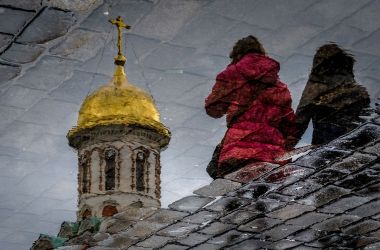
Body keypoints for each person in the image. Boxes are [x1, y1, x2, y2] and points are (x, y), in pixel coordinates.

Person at [205, 36, 297, 179]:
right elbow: (289, 124)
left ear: (237, 54)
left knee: (237, 195)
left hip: (239, 148)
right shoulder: (280, 86)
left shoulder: (231, 74)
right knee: (269, 195)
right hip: (273, 152)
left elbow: (213, 109)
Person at [294, 43, 370, 145]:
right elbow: (366, 117)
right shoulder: (356, 88)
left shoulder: (316, 85)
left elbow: (301, 117)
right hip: (358, 141)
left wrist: (289, 142)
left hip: (327, 142)